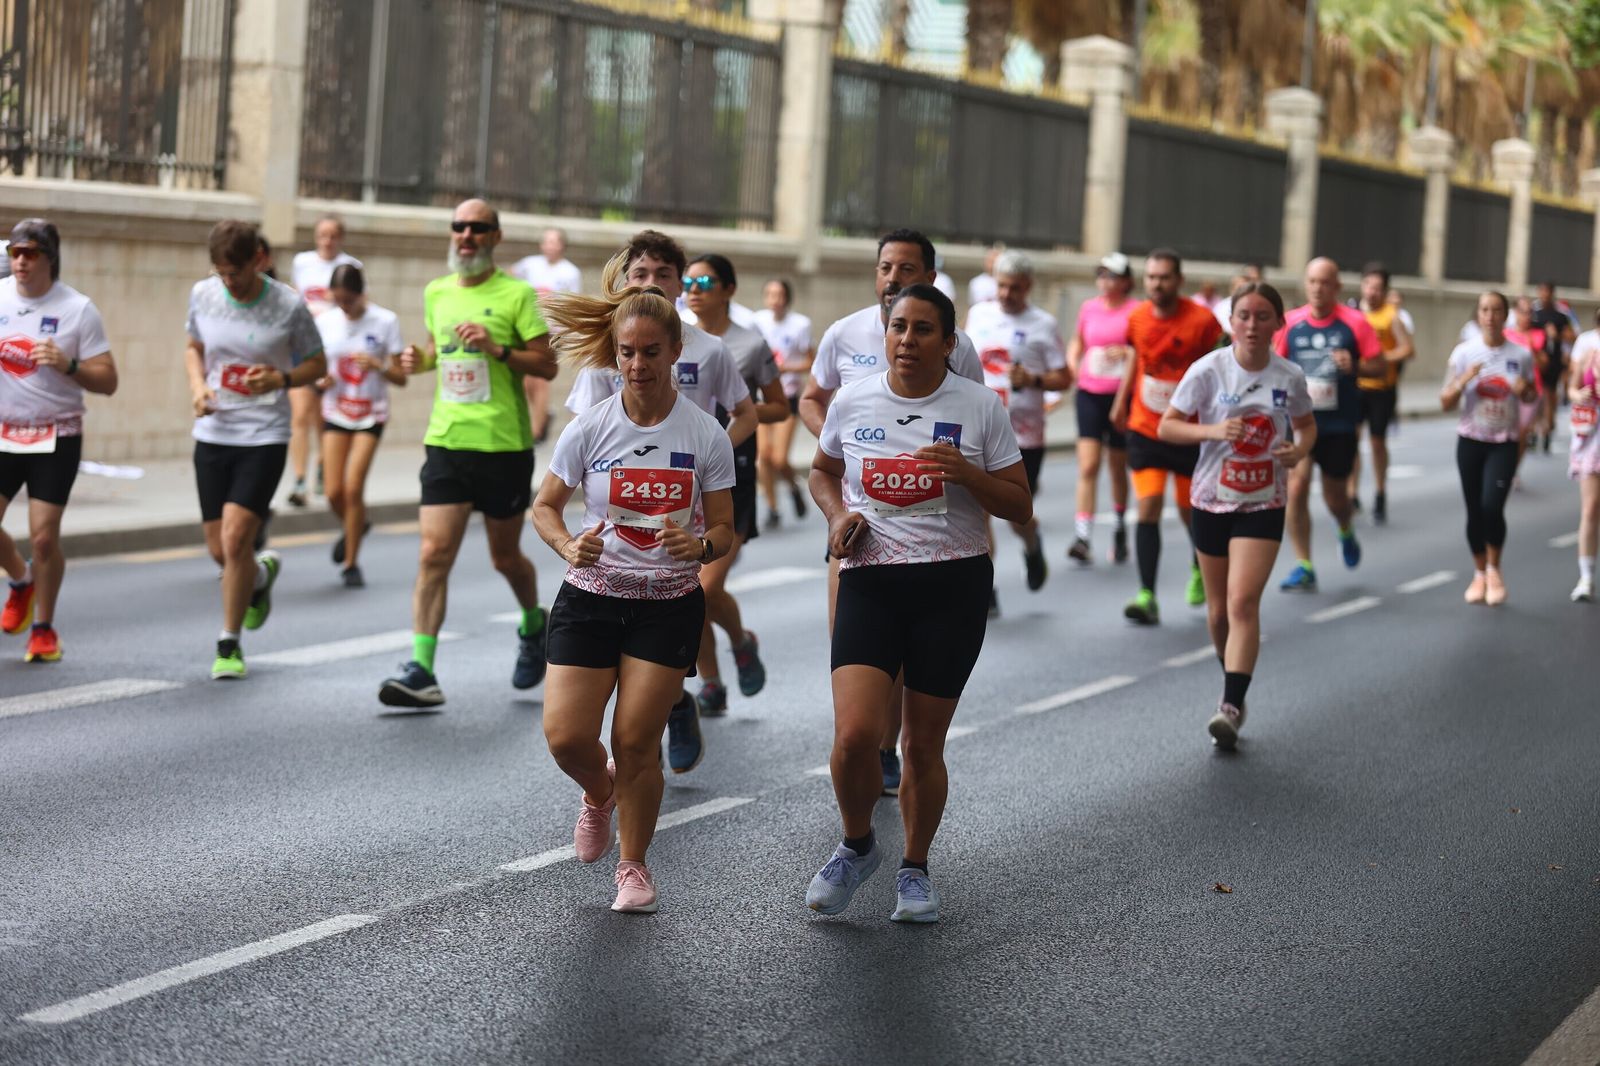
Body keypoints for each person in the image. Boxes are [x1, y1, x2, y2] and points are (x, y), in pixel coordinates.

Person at [805, 284, 1031, 924]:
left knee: (922, 744)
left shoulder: (980, 407)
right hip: (871, 579)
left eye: (923, 329)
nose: (907, 340)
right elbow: (821, 471)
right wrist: (837, 513)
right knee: (853, 737)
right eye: (898, 327)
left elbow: (1019, 504)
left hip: (951, 585)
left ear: (948, 342)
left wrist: (969, 476)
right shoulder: (853, 399)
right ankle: (856, 845)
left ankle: (915, 868)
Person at [533, 282, 736, 914]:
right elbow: (543, 508)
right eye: (626, 353)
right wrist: (568, 546)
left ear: (676, 349)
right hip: (590, 597)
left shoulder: (704, 434)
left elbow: (725, 529)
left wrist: (698, 548)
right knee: (566, 738)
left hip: (666, 602)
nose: (638, 365)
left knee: (636, 742)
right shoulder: (590, 428)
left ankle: (634, 867)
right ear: (613, 355)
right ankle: (599, 794)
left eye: (651, 352)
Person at [562, 231, 758, 770]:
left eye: (663, 274)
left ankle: (679, 693)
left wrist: (706, 458)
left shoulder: (709, 349)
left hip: (689, 506)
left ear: (680, 283)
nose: (650, 283)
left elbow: (745, 413)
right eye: (639, 274)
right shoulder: (608, 351)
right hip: (623, 514)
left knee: (688, 597)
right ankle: (675, 702)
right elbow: (584, 437)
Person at [800, 229, 986, 796]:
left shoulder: (959, 349)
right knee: (854, 641)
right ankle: (869, 742)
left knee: (907, 651)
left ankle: (887, 746)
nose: (892, 279)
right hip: (859, 517)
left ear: (929, 278)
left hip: (935, 530)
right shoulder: (844, 333)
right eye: (885, 267)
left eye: (906, 269)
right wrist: (845, 447)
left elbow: (976, 426)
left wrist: (963, 475)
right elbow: (813, 403)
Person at [377, 199, 557, 708]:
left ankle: (532, 622)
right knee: (433, 554)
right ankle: (421, 669)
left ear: (495, 238)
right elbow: (438, 351)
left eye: (478, 228)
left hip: (502, 445)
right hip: (447, 441)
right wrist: (419, 360)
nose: (466, 235)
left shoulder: (517, 294)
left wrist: (498, 349)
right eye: (459, 227)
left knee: (505, 558)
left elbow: (546, 366)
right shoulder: (437, 291)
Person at [1158, 283, 1316, 750]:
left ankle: (1230, 704)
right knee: (1218, 612)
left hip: (1264, 501)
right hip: (1211, 500)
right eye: (1244, 315)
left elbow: (1307, 428)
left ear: (1277, 324)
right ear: (1231, 321)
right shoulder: (1208, 370)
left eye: (1263, 316)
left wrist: (1297, 451)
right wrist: (1213, 429)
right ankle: (1233, 679)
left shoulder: (1289, 377)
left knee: (1243, 602)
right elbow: (1168, 424)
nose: (1252, 324)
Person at [185, 220, 325, 679]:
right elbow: (194, 345)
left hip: (264, 434)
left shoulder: (287, 304)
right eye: (221, 273)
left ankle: (229, 643)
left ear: (257, 261)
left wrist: (281, 379)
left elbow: (317, 364)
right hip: (214, 433)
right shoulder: (203, 294)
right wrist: (198, 387)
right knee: (218, 549)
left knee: (234, 538)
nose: (229, 283)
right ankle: (260, 577)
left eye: (237, 274)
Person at [0, 219, 119, 663]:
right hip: (3, 431)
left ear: (51, 258)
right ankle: (20, 580)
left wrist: (68, 365)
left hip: (55, 434)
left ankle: (44, 629)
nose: (21, 262)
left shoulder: (77, 309)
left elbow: (108, 381)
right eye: (15, 253)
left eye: (31, 253)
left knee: (44, 538)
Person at [681, 253, 785, 716]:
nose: (694, 288)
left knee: (704, 587)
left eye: (704, 280)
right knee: (689, 592)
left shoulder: (749, 344)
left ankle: (741, 642)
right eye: (688, 280)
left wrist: (734, 408)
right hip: (681, 480)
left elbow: (779, 407)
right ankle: (713, 684)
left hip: (732, 477)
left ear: (729, 288)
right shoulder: (674, 338)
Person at [1111, 248, 1224, 625]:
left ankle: (1199, 568)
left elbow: (1219, 367)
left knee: (1190, 511)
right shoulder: (1138, 317)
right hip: (1146, 426)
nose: (1158, 284)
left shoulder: (1203, 321)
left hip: (1189, 430)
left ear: (1179, 280)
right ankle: (1147, 594)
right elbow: (1135, 358)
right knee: (1149, 505)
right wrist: (1120, 401)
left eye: (1165, 277)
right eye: (1152, 277)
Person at [1274, 258, 1383, 593]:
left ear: (1336, 287)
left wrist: (1357, 367)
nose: (1318, 288)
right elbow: (1275, 366)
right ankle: (1304, 564)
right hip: (1300, 422)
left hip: (1338, 425)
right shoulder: (1290, 324)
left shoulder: (1355, 323)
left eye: (1325, 283)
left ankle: (1345, 528)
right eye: (1312, 282)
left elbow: (1379, 366)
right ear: (1305, 285)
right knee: (1296, 488)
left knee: (1336, 497)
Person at [964, 250, 1070, 589]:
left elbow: (1064, 378)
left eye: (1016, 288)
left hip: (1024, 436)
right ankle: (986, 588)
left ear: (1029, 286)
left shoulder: (1043, 324)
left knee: (1014, 514)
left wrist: (1034, 380)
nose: (1007, 294)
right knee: (978, 513)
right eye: (1002, 286)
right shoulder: (978, 315)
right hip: (978, 430)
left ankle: (1031, 543)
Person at [313, 264, 406, 588]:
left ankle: (351, 563)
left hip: (370, 413)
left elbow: (401, 377)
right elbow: (313, 367)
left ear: (361, 294)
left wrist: (379, 365)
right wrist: (319, 380)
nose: (344, 307)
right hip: (335, 410)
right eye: (338, 301)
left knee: (353, 487)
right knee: (333, 491)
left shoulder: (385, 321)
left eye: (349, 301)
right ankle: (357, 523)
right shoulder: (324, 322)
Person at [1442, 291, 1536, 605]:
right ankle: (1479, 573)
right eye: (1485, 310)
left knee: (1492, 506)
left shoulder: (1521, 355)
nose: (1490, 316)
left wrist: (1525, 391)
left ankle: (1495, 568)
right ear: (1478, 315)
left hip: (1504, 443)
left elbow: (1531, 396)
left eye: (1496, 310)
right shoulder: (1464, 353)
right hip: (1470, 440)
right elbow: (1445, 402)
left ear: (1505, 315)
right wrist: (1462, 380)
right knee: (1473, 509)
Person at [1066, 251, 1136, 565]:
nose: (1106, 281)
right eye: (1102, 275)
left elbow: (1139, 351)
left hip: (1122, 396)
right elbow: (1078, 342)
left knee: (1117, 466)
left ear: (1126, 282)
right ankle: (1082, 536)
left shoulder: (1136, 311)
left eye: (1113, 276)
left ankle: (1120, 525)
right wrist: (1072, 365)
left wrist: (1124, 352)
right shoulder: (1089, 308)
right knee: (1089, 465)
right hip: (1090, 393)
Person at [288, 215, 361, 508]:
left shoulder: (351, 266)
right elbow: (295, 296)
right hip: (302, 346)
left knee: (322, 418)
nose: (327, 241)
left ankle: (322, 467)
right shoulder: (302, 262)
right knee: (300, 414)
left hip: (332, 350)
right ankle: (299, 479)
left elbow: (358, 305)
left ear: (340, 238)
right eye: (322, 235)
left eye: (332, 235)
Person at [1348, 263, 1414, 524]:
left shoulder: (1391, 317)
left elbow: (1408, 349)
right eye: (1368, 286)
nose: (1372, 292)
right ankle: (1352, 492)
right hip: (1355, 386)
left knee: (1377, 442)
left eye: (1377, 288)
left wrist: (1382, 358)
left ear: (1385, 291)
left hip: (1382, 389)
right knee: (1351, 440)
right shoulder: (1353, 314)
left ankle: (1379, 491)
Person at [511, 227, 582, 445]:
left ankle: (536, 432)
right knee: (525, 378)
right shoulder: (530, 264)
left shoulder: (570, 272)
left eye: (555, 241)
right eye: (547, 241)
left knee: (539, 378)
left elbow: (572, 303)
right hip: (527, 329)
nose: (550, 245)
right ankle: (544, 415)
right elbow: (510, 276)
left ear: (562, 246)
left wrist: (566, 331)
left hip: (551, 332)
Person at [752, 278, 813, 529]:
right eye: (770, 294)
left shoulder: (800, 325)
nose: (774, 299)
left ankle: (793, 486)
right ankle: (773, 508)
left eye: (779, 294)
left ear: (787, 298)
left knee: (778, 458)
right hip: (761, 397)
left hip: (787, 398)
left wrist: (786, 367)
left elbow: (811, 362)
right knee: (762, 457)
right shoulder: (757, 321)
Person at [1567, 312, 1600, 602]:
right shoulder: (1587, 343)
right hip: (1593, 436)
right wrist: (1580, 395)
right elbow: (1572, 387)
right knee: (1590, 508)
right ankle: (1586, 577)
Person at [1531, 281, 1577, 453]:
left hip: (1553, 362)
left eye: (1547, 292)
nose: (1544, 295)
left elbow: (1571, 335)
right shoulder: (1533, 313)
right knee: (1536, 395)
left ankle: (1548, 431)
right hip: (1535, 361)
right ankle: (1534, 430)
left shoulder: (1560, 315)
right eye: (1541, 291)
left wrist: (1556, 335)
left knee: (1549, 395)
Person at [1212, 263, 1264, 336]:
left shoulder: (1258, 306)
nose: (1243, 292)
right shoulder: (1222, 307)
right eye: (1240, 288)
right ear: (1232, 289)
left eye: (1246, 288)